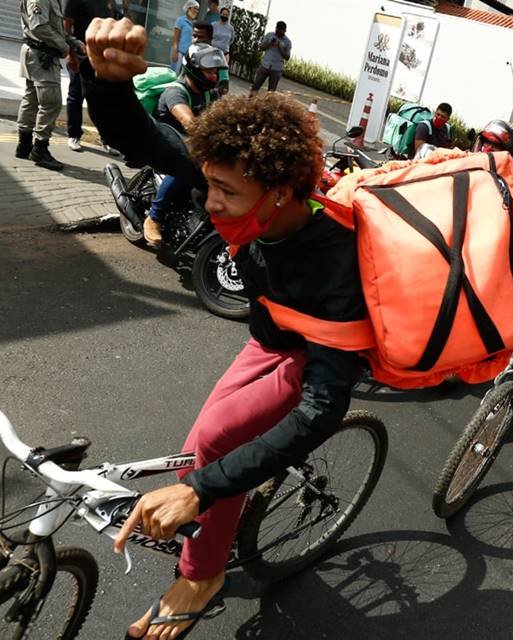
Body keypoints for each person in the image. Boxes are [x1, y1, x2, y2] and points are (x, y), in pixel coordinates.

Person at [82, 17, 366, 639]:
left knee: (214, 445)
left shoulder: (336, 260)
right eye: (207, 184)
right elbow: (140, 138)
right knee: (204, 445)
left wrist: (202, 491)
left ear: (285, 193)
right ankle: (216, 509)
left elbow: (322, 409)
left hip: (310, 355)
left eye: (227, 194)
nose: (209, 204)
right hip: (267, 338)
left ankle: (201, 574)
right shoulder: (230, 176)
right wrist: (105, 82)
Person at [142, 43, 227, 245]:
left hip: (189, 144)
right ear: (194, 69)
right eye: (208, 71)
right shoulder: (176, 92)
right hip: (164, 146)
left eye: (215, 71)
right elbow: (188, 121)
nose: (213, 75)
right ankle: (154, 217)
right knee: (189, 161)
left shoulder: (208, 94)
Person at [16, 0, 84, 171]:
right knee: (51, 102)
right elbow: (39, 27)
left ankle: (24, 146)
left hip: (39, 53)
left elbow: (56, 29)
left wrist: (74, 43)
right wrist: (64, 47)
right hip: (41, 55)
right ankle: (40, 149)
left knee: (31, 98)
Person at [63, 0, 110, 153]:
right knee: (76, 95)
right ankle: (74, 134)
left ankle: (107, 139)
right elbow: (67, 27)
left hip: (100, 58)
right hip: (80, 55)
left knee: (100, 99)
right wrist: (71, 55)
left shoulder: (109, 3)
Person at [251, 21, 291, 92]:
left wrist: (279, 46)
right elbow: (261, 48)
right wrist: (269, 43)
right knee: (255, 86)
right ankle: (250, 101)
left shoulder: (287, 42)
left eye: (280, 31)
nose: (278, 32)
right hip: (264, 65)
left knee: (271, 92)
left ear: (284, 31)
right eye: (277, 30)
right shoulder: (269, 35)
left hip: (276, 69)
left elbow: (287, 57)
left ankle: (267, 103)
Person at [171, 1, 199, 72]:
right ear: (188, 8)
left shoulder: (194, 24)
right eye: (195, 8)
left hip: (188, 55)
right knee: (175, 75)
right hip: (179, 53)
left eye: (197, 9)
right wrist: (175, 51)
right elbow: (175, 38)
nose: (197, 11)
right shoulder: (180, 20)